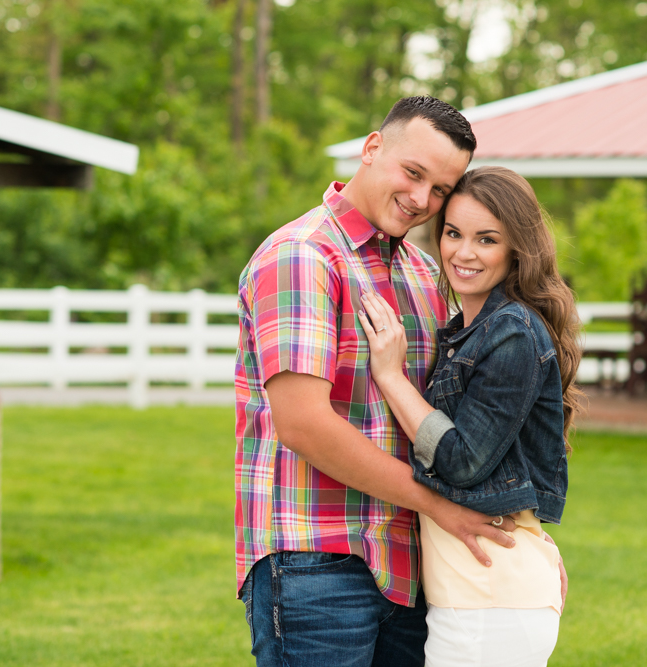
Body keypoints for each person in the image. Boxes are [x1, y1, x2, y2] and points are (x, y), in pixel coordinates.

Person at [234, 97, 520, 667]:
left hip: (409, 564)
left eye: (440, 190)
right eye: (413, 173)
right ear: (371, 149)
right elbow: (304, 425)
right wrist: (436, 506)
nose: (422, 200)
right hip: (315, 560)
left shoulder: (423, 273)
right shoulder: (303, 256)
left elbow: (465, 425)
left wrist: (529, 547)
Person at [358, 166, 581, 667]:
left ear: (517, 248)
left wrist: (391, 377)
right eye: (454, 233)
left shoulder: (511, 333)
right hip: (476, 594)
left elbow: (463, 460)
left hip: (488, 597)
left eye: (487, 239)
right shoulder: (469, 329)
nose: (463, 252)